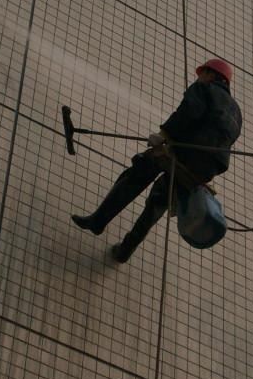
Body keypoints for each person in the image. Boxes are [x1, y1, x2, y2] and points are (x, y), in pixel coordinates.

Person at [71, 59, 242, 263]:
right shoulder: (236, 112)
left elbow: (188, 111)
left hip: (186, 153)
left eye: (202, 74)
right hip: (205, 170)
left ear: (211, 75)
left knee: (140, 169)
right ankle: (125, 250)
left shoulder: (204, 88)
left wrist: (164, 134)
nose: (199, 78)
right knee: (158, 201)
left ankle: (98, 220)